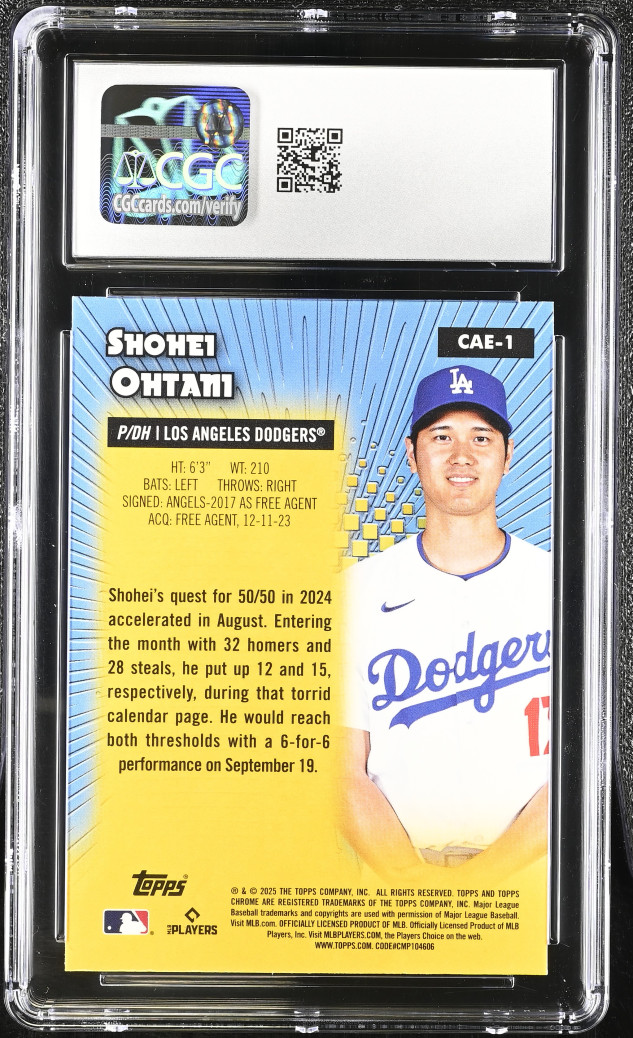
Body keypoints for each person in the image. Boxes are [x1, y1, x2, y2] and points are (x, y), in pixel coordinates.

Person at [343, 364, 551, 883]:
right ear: (412, 454)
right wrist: (412, 885)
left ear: (508, 454)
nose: (462, 455)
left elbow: (582, 766)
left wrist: (480, 882)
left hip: (531, 876)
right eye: (441, 436)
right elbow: (339, 771)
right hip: (393, 880)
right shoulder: (355, 592)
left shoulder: (564, 587)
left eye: (481, 437)